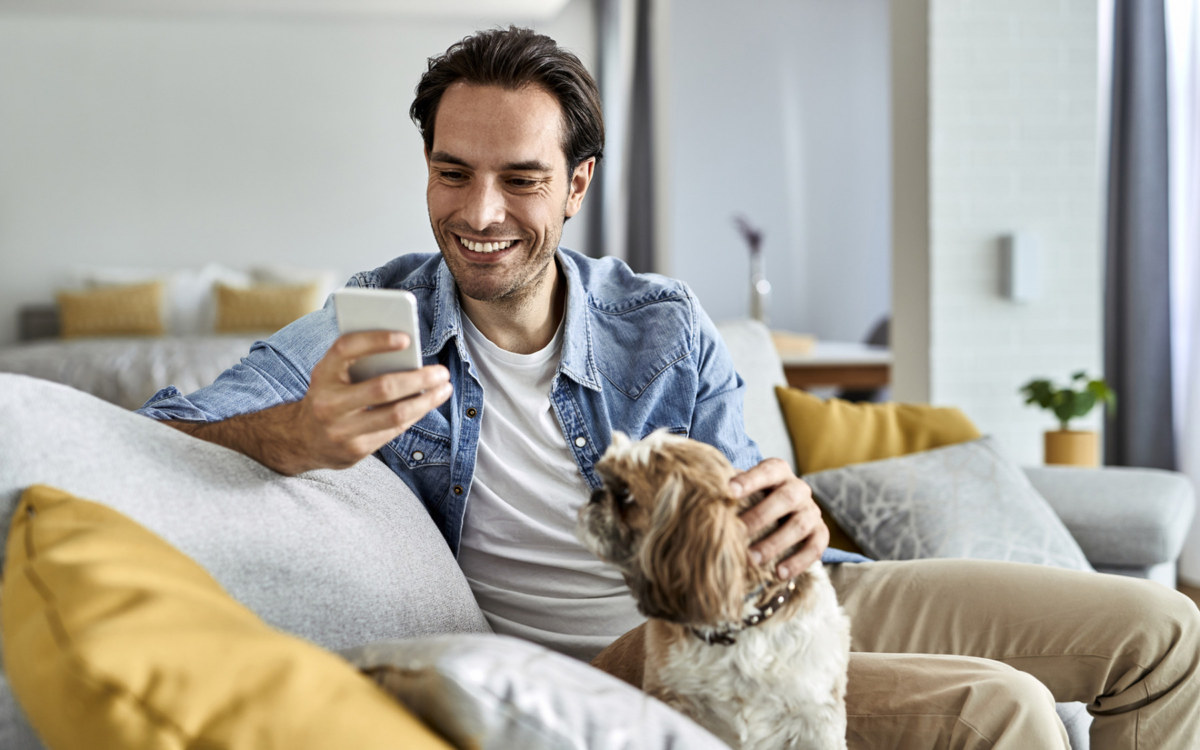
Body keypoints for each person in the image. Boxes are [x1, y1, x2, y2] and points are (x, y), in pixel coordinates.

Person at [139, 26, 1199, 749]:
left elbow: (742, 490)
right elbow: (162, 430)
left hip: (797, 593)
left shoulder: (660, 320)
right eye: (453, 171)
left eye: (522, 178)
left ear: (581, 182)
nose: (481, 211)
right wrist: (300, 433)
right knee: (1003, 711)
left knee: (1166, 636)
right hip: (649, 651)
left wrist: (779, 506)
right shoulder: (373, 322)